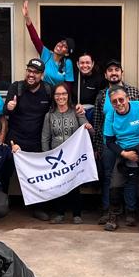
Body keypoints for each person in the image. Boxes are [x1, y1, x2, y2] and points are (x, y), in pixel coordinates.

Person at [92, 59, 139, 225]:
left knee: (130, 176)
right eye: (110, 70)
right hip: (109, 144)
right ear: (106, 75)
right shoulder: (101, 95)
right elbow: (98, 123)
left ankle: (130, 211)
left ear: (122, 72)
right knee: (108, 177)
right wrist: (97, 146)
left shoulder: (133, 92)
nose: (113, 73)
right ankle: (109, 211)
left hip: (131, 143)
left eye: (116, 69)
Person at [103, 87, 139, 233]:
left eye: (121, 99)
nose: (119, 103)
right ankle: (113, 215)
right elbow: (109, 141)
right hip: (124, 152)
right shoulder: (111, 115)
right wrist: (124, 154)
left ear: (128, 98)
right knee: (115, 185)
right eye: (114, 102)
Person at [5, 57, 54, 220]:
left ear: (41, 75)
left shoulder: (48, 90)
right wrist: (9, 107)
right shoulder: (16, 87)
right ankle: (2, 202)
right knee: (5, 172)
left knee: (37, 176)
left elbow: (60, 107)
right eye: (30, 71)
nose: (32, 75)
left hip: (37, 141)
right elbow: (6, 112)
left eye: (36, 72)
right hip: (15, 140)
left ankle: (38, 207)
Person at [42, 83, 92, 224]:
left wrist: (88, 126)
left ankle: (77, 214)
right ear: (54, 97)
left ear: (68, 95)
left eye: (63, 94)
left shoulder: (76, 111)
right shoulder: (49, 115)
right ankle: (59, 213)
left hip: (74, 154)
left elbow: (89, 130)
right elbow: (45, 137)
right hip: (56, 156)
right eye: (57, 94)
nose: (61, 97)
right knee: (59, 185)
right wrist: (46, 156)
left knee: (74, 184)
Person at [21, 0, 75, 87]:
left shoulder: (67, 63)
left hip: (57, 97)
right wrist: (27, 18)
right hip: (43, 94)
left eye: (65, 46)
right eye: (61, 42)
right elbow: (35, 39)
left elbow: (68, 85)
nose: (60, 45)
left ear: (67, 53)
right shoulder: (46, 54)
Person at [74, 52, 106, 123]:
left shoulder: (100, 79)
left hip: (93, 115)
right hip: (76, 114)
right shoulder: (73, 78)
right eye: (82, 63)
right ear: (77, 64)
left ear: (93, 63)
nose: (85, 65)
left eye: (88, 62)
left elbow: (102, 101)